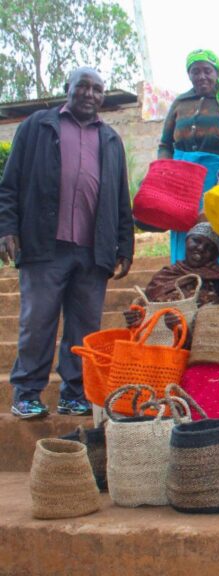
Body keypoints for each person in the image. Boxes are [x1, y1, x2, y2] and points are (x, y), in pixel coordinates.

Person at [0, 67, 133, 419]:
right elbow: (10, 183)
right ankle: (27, 393)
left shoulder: (110, 139)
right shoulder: (38, 126)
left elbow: (121, 197)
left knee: (84, 327)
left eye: (97, 89)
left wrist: (125, 245)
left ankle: (75, 393)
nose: (90, 94)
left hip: (93, 250)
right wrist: (6, 228)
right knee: (37, 321)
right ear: (67, 89)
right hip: (44, 244)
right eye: (83, 87)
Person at [159, 49, 219, 264]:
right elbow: (165, 143)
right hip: (183, 181)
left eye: (207, 71)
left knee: (218, 226)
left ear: (217, 73)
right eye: (195, 71)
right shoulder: (180, 103)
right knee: (184, 228)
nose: (202, 76)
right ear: (188, 75)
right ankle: (184, 279)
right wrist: (164, 168)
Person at [124, 222, 219, 330]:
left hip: (199, 341)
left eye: (209, 248)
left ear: (215, 256)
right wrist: (136, 316)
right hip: (157, 338)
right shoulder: (165, 275)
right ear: (186, 241)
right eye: (196, 240)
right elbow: (146, 308)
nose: (201, 248)